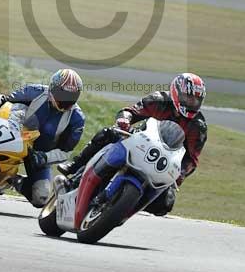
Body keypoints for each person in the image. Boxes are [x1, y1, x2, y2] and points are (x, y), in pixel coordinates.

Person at [58, 72, 207, 216]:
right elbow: (131, 111)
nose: (191, 103)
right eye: (188, 97)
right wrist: (125, 119)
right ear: (176, 92)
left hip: (163, 162)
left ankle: (123, 208)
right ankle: (76, 165)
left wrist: (181, 173)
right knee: (107, 133)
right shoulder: (159, 100)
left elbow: (191, 159)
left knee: (165, 203)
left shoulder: (198, 126)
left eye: (195, 100)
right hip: (140, 141)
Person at [0, 68, 85, 207]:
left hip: (37, 153)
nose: (65, 100)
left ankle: (12, 181)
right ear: (52, 88)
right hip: (13, 132)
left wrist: (44, 157)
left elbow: (66, 151)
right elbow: (5, 99)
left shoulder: (77, 119)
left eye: (70, 96)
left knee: (41, 197)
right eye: (61, 94)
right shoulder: (35, 91)